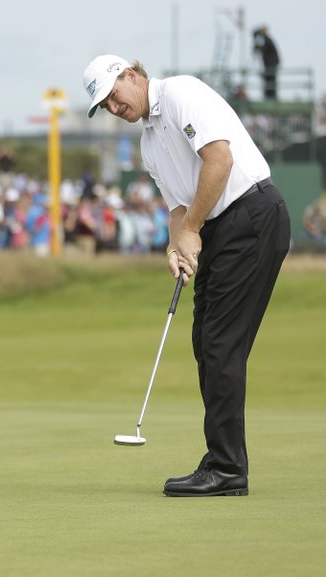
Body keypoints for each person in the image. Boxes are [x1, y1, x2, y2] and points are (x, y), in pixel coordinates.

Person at [84, 54, 290, 497]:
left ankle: (228, 468)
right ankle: (222, 461)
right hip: (219, 228)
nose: (115, 109)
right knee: (206, 342)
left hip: (251, 215)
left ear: (133, 75)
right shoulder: (147, 143)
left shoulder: (181, 93)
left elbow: (219, 161)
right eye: (106, 107)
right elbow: (179, 207)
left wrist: (193, 230)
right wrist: (179, 246)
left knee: (220, 343)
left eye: (114, 96)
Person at [253, 26, 280, 100]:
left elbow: (261, 48)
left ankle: (271, 97)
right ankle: (269, 96)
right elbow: (260, 48)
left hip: (271, 65)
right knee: (268, 81)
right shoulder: (266, 40)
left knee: (270, 81)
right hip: (269, 65)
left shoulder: (268, 40)